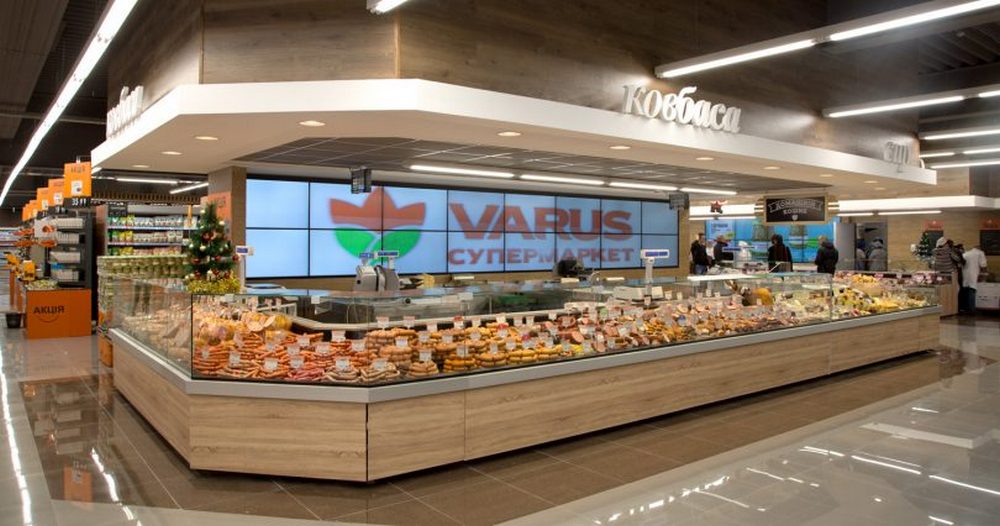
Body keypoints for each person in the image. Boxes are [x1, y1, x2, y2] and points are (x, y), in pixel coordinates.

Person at [960, 244, 987, 314]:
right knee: (972, 290)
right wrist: (984, 275)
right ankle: (972, 310)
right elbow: (983, 265)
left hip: (965, 275)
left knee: (966, 291)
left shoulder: (966, 253)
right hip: (974, 275)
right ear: (980, 248)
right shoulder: (980, 253)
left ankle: (965, 308)